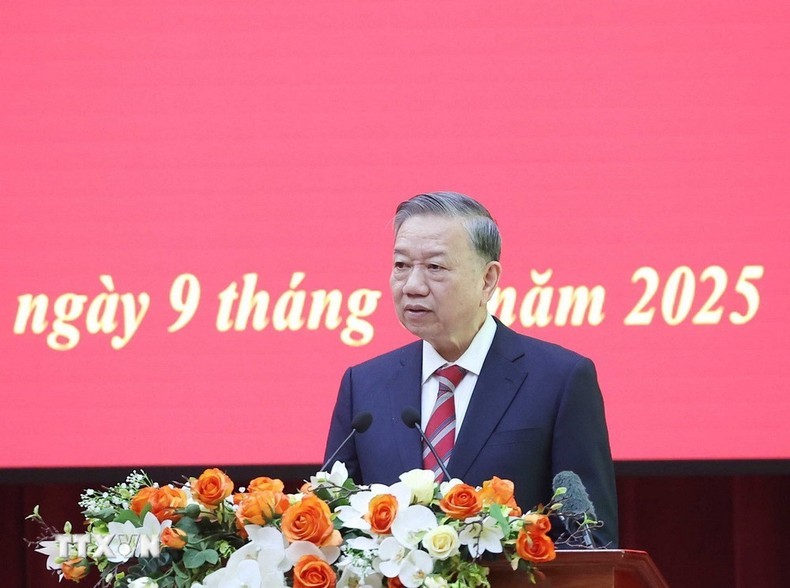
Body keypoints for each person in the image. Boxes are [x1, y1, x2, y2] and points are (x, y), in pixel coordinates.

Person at [324, 191, 618, 547]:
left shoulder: (560, 380)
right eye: (401, 265)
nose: (412, 286)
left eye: (435, 267)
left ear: (488, 280)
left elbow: (589, 538)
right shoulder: (364, 386)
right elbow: (332, 526)